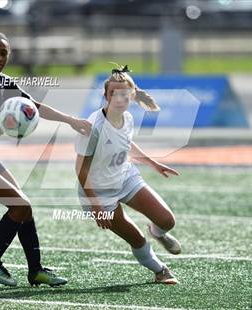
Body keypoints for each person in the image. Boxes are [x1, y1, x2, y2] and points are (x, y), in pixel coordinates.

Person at [0, 17, 91, 287]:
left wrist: (72, 121)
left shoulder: (4, 81)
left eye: (3, 53)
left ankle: (36, 271)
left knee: (24, 208)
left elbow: (35, 106)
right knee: (20, 205)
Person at [75, 64, 181, 284]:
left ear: (131, 96)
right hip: (99, 192)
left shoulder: (128, 119)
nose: (119, 98)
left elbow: (126, 143)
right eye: (113, 93)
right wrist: (95, 206)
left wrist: (153, 163)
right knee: (136, 239)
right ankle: (160, 271)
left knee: (166, 220)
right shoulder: (93, 126)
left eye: (124, 94)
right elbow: (81, 169)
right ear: (106, 95)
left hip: (125, 177)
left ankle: (158, 232)